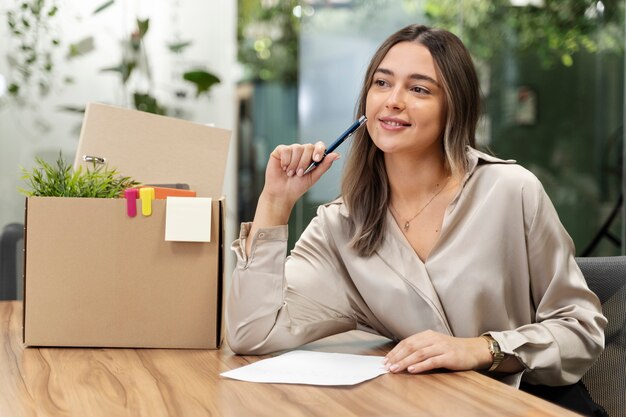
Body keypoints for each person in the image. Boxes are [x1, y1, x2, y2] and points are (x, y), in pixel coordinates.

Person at [226, 24, 607, 416]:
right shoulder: (341, 225)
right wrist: (275, 202)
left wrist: (482, 348)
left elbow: (581, 331)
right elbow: (252, 332)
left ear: (454, 107)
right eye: (382, 83)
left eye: (419, 89)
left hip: (526, 405)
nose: (393, 101)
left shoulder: (511, 191)